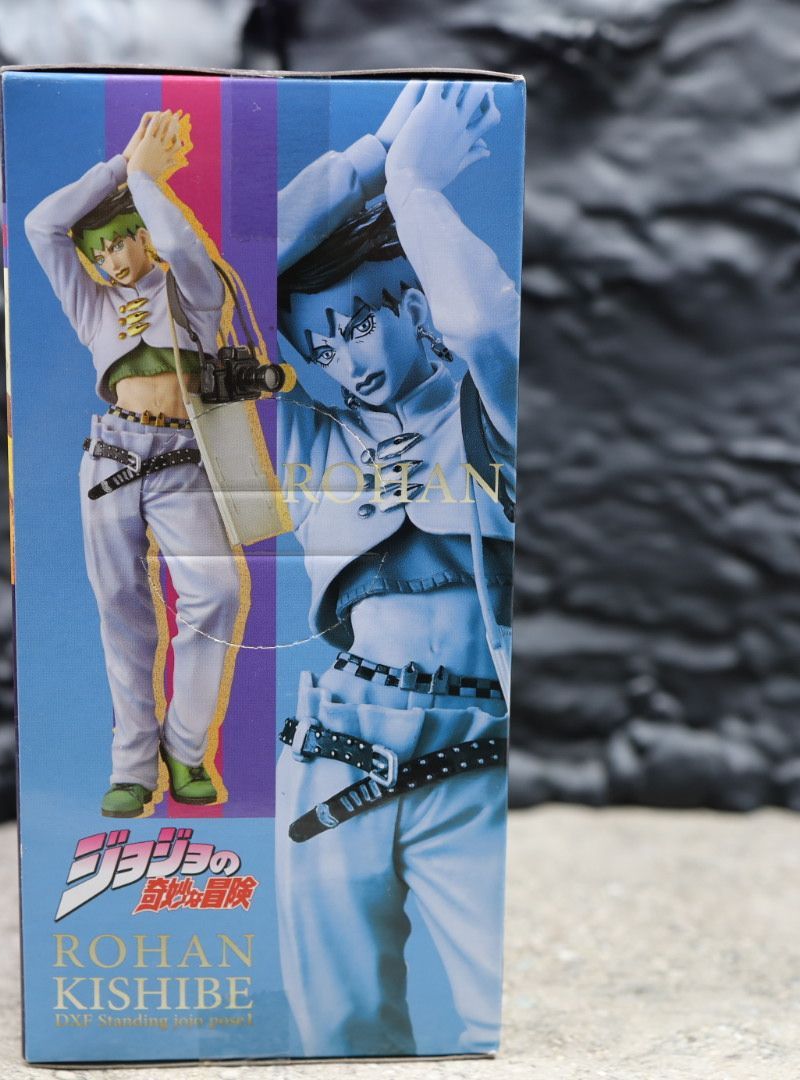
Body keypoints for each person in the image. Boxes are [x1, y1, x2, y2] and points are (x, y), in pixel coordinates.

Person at [275, 81, 520, 1055]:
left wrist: (416, 186)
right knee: (337, 1035)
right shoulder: (307, 442)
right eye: (320, 342)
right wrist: (369, 159)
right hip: (335, 748)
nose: (346, 356)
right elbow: (203, 291)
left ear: (415, 304)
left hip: (476, 748)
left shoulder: (488, 404)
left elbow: (488, 325)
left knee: (497, 1010)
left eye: (361, 320)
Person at [24, 110, 245, 818]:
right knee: (121, 611)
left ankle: (187, 749)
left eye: (122, 241)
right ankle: (131, 766)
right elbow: (41, 226)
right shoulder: (94, 305)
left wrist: (147, 181)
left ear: (142, 233)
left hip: (182, 458)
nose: (114, 260)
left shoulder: (193, 289)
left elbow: (180, 243)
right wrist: (120, 165)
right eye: (101, 251)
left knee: (216, 594)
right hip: (112, 454)